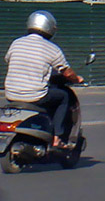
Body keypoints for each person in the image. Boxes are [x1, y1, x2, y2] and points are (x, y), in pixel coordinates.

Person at [4, 10, 84, 148]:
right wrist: (77, 79)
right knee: (63, 97)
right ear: (50, 28)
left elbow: (8, 60)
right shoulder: (51, 48)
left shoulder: (16, 43)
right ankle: (56, 137)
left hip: (11, 94)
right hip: (35, 95)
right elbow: (67, 72)